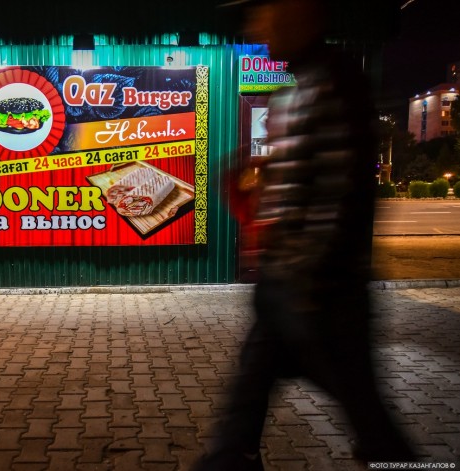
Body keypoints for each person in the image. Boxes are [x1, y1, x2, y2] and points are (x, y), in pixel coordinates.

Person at [197, 0, 416, 469]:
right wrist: (261, 175)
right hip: (289, 282)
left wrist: (308, 283)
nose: (257, 26)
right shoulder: (300, 86)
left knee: (365, 413)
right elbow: (306, 180)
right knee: (248, 394)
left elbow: (341, 197)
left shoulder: (336, 85)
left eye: (266, 13)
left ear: (301, 14)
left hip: (318, 290)